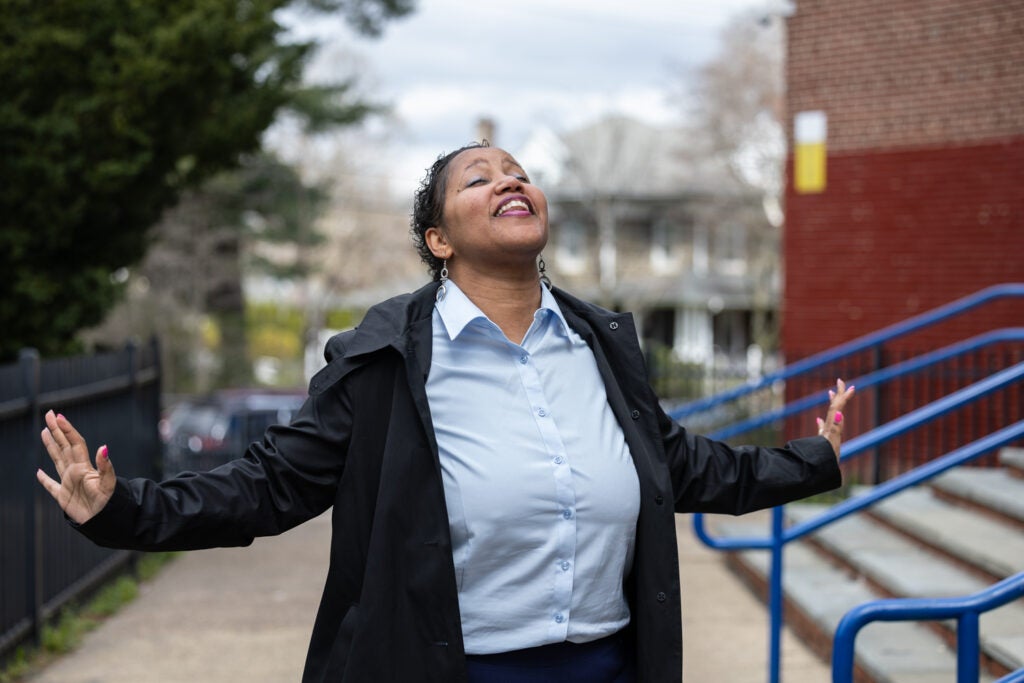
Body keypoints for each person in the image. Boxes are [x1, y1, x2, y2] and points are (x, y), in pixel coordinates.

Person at [37, 142, 855, 683]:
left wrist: (811, 459)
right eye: (481, 177)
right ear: (438, 239)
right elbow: (270, 484)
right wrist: (123, 510)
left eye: (518, 171)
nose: (510, 180)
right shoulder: (385, 356)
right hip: (451, 669)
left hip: (611, 663)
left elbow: (676, 464)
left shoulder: (601, 346)